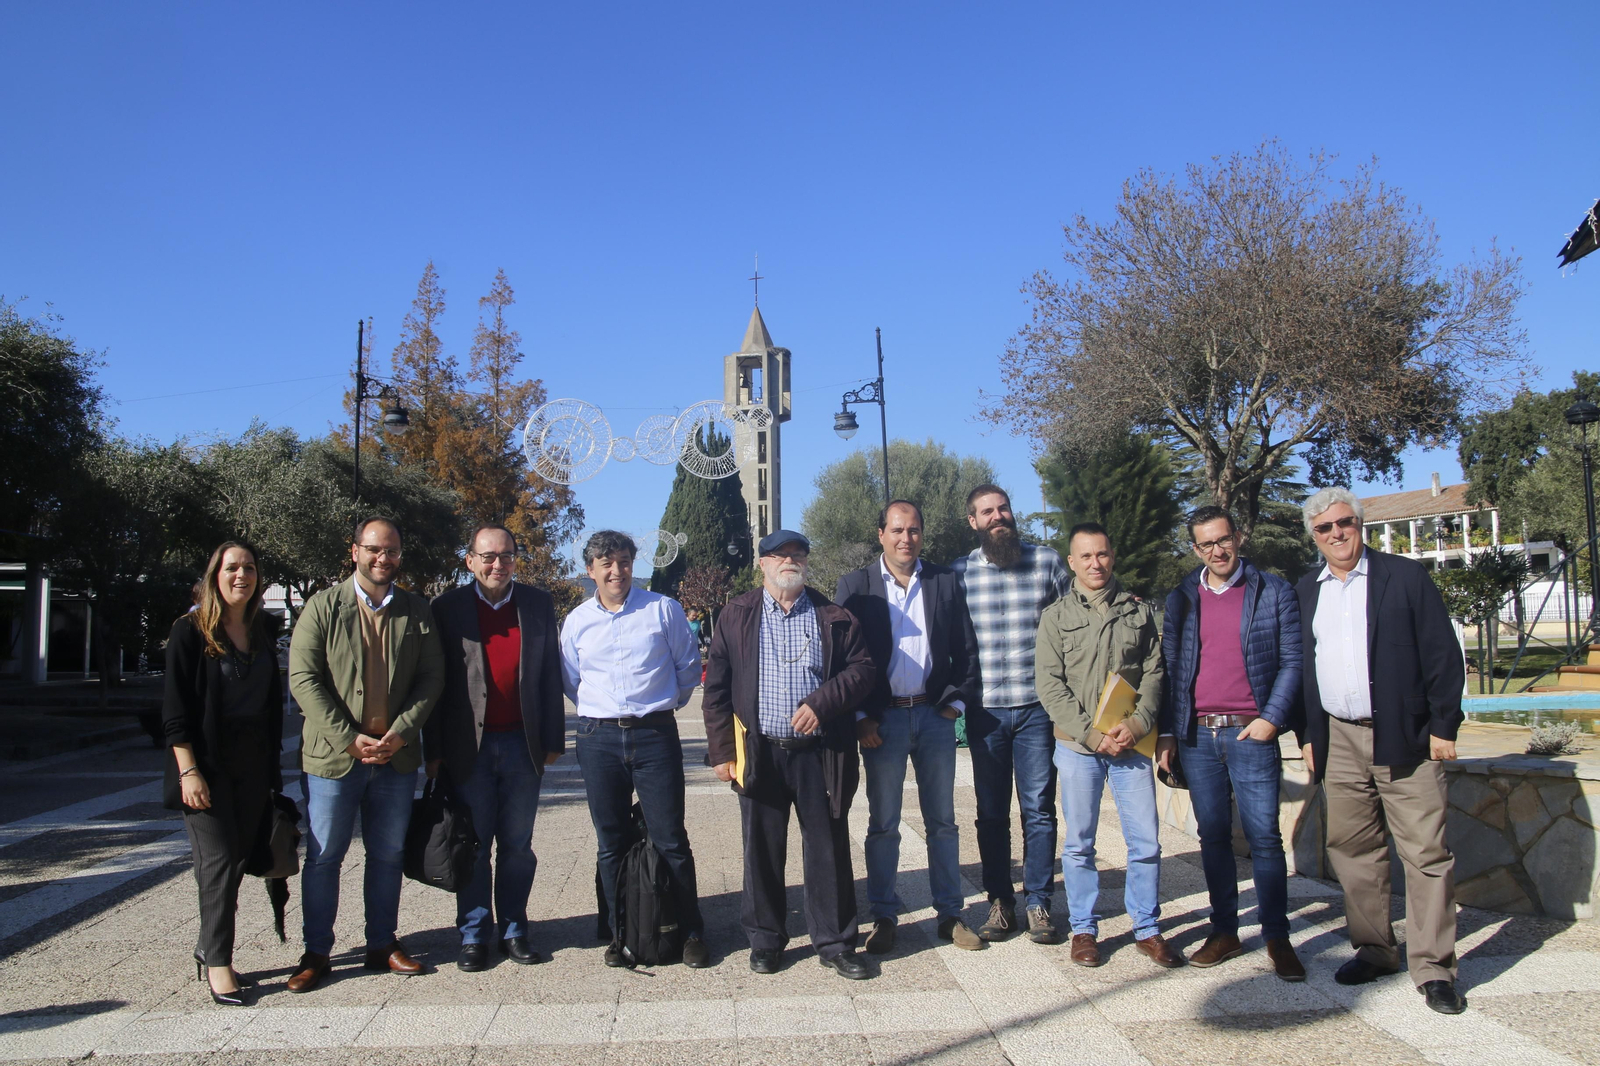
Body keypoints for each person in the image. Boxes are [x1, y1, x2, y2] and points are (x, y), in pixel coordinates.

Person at [1295, 488, 1467, 1014]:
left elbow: (1442, 653)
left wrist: (1444, 725)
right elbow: (1301, 668)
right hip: (1338, 737)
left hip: (1405, 734)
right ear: (1313, 537)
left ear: (1360, 523)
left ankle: (1434, 968)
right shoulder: (1307, 591)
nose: (1336, 533)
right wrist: (1308, 734)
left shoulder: (1405, 577)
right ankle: (1375, 950)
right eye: (1324, 528)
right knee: (1353, 848)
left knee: (1425, 853)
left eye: (1344, 522)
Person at [704, 530, 876, 980]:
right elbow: (716, 688)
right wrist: (722, 752)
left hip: (820, 753)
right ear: (762, 563)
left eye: (798, 554)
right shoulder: (737, 614)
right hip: (759, 751)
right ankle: (765, 939)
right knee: (761, 849)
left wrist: (822, 703)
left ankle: (836, 942)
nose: (790, 561)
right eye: (780, 555)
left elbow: (863, 670)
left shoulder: (833, 615)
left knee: (828, 848)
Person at [286, 516, 445, 993]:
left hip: (395, 758)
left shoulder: (416, 610)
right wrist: (347, 737)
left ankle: (381, 943)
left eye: (391, 550)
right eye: (374, 549)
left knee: (388, 854)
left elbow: (431, 678)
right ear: (354, 551)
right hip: (335, 759)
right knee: (324, 856)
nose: (383, 558)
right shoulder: (323, 607)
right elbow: (303, 679)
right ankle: (317, 952)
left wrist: (401, 732)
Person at [1157, 506, 1304, 980]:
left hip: (1250, 733)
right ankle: (1224, 930)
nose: (1217, 551)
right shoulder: (1182, 597)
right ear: (1195, 549)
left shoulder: (1273, 591)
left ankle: (1277, 936)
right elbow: (1171, 670)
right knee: (1214, 837)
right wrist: (1168, 732)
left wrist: (1270, 719)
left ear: (1238, 538)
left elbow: (1293, 661)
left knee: (1264, 837)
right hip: (1198, 736)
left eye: (1223, 540)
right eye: (1206, 544)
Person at [836, 500, 983, 953]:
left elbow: (966, 649)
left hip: (935, 717)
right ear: (881, 534)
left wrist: (955, 705)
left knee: (943, 822)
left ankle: (950, 914)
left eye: (914, 530)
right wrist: (860, 717)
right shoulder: (855, 585)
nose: (907, 538)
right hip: (882, 722)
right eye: (898, 530)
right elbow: (840, 658)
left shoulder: (943, 581)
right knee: (884, 823)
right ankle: (883, 914)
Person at [560, 530, 709, 968]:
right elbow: (571, 679)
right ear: (590, 570)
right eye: (606, 563)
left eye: (624, 561)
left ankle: (690, 930)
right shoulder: (577, 621)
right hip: (598, 739)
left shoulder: (662, 609)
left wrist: (662, 707)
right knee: (611, 841)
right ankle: (618, 932)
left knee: (670, 838)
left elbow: (687, 669)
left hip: (654, 735)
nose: (616, 571)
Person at [1034, 523, 1178, 969]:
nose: (1095, 563)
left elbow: (1154, 673)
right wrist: (1092, 734)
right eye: (1086, 556)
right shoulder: (1056, 616)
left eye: (1102, 554)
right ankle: (1083, 928)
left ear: (1112, 556)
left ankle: (1147, 928)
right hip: (1079, 748)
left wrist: (1138, 724)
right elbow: (1050, 686)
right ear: (1072, 562)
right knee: (1079, 843)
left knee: (1146, 841)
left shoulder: (1140, 612)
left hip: (1130, 745)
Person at [426, 524, 565, 971]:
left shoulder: (538, 604)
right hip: (470, 749)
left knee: (518, 846)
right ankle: (474, 935)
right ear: (470, 561)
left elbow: (550, 675)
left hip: (523, 745)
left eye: (506, 555)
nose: (497, 564)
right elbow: (434, 684)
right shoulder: (446, 608)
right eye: (487, 556)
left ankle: (514, 930)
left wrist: (553, 740)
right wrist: (434, 751)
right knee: (473, 844)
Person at [163, 540, 284, 1005]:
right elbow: (175, 710)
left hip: (254, 764)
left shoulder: (263, 629)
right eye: (232, 567)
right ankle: (218, 964)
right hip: (207, 764)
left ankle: (208, 946)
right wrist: (188, 771)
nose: (241, 576)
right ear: (215, 575)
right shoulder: (190, 631)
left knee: (237, 860)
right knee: (217, 862)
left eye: (249, 568)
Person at [951, 484, 1071, 943]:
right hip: (985, 714)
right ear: (973, 522)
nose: (998, 516)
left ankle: (1039, 902)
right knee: (991, 813)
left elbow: (1073, 620)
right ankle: (1000, 902)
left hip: (1038, 709)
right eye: (987, 512)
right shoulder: (959, 573)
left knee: (1038, 809)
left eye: (1003, 508)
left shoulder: (1047, 562)